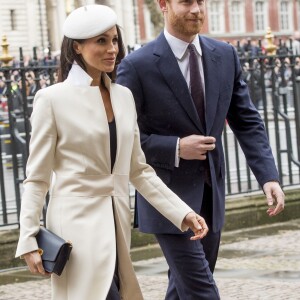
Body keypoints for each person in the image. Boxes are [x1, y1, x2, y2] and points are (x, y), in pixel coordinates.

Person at [15, 4, 209, 300]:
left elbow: (139, 171)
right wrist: (28, 238)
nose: (112, 49)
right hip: (75, 228)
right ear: (77, 47)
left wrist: (182, 213)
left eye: (114, 40)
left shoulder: (123, 96)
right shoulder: (51, 99)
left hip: (116, 224)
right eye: (101, 41)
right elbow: (37, 178)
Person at [117, 0, 285, 299]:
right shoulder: (136, 65)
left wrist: (268, 177)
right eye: (186, 2)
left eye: (200, 1)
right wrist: (176, 147)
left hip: (211, 195)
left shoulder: (225, 55)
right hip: (165, 198)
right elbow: (123, 138)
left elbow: (246, 120)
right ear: (164, 5)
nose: (196, 9)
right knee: (201, 289)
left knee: (183, 289)